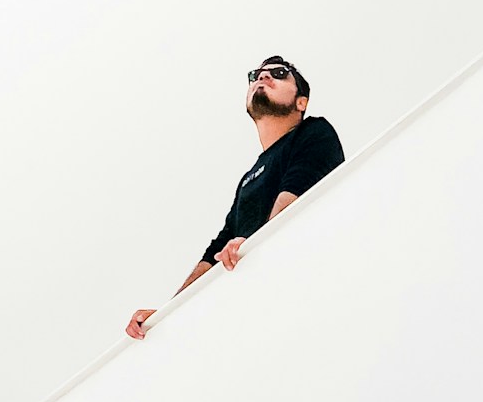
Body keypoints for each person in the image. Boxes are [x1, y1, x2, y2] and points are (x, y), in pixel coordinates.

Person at [126, 55, 344, 339]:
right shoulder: (248, 179)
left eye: (279, 74)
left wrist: (254, 245)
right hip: (256, 308)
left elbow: (293, 205)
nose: (263, 77)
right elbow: (217, 250)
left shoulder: (314, 132)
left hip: (307, 287)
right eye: (257, 75)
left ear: (301, 102)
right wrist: (166, 314)